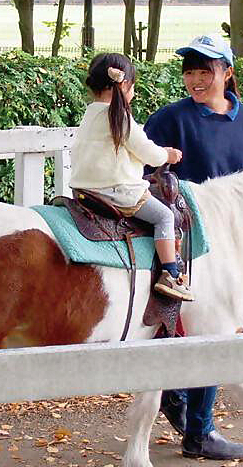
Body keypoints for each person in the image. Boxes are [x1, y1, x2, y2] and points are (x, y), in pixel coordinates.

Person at [143, 34, 243, 460]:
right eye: (190, 71)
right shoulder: (168, 120)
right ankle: (195, 423)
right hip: (186, 244)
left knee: (218, 333)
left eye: (205, 71)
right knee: (200, 332)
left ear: (227, 73)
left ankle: (192, 419)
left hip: (234, 248)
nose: (195, 79)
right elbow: (143, 175)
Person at [69, 53, 194, 302]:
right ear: (123, 85)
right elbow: (148, 152)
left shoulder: (90, 115)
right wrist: (168, 155)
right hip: (117, 191)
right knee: (164, 216)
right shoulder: (119, 118)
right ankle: (170, 273)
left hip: (85, 190)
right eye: (133, 86)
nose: (133, 92)